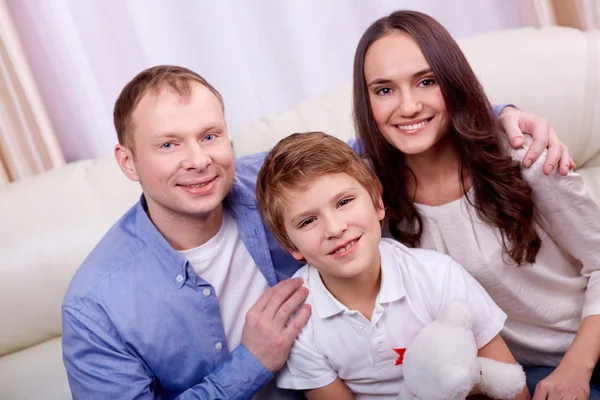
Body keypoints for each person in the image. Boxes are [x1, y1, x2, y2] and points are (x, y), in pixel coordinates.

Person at [61, 64, 569, 399]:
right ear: (127, 161)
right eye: (168, 145)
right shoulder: (96, 305)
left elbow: (379, 145)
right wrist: (251, 363)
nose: (199, 160)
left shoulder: (271, 183)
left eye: (210, 136)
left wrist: (502, 117)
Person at [352, 10, 600, 400]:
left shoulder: (524, 156)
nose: (409, 106)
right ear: (366, 102)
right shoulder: (365, 195)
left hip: (586, 348)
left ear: (452, 83)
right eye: (384, 90)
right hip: (509, 378)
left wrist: (575, 368)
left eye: (426, 81)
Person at [255, 131, 529, 400]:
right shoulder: (299, 321)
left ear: (377, 202)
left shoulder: (438, 276)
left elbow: (511, 389)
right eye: (307, 221)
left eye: (344, 202)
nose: (335, 228)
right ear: (291, 246)